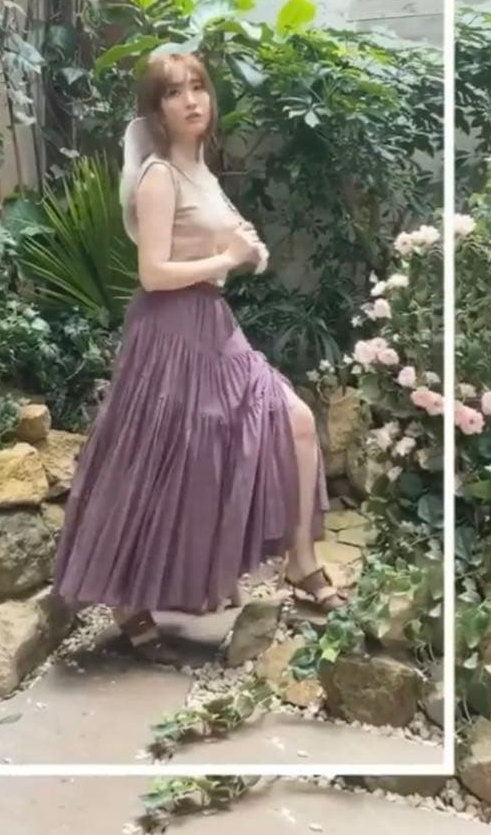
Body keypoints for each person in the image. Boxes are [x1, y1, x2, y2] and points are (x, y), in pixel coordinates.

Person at [52, 51, 347, 663]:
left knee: (294, 420)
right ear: (156, 110)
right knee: (155, 459)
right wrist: (227, 258)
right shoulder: (159, 175)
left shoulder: (202, 171)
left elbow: (223, 244)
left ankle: (300, 561)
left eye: (198, 87)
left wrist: (246, 252)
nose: (191, 100)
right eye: (173, 92)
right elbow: (153, 273)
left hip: (212, 323)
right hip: (168, 331)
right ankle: (128, 600)